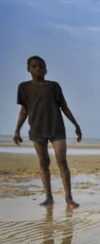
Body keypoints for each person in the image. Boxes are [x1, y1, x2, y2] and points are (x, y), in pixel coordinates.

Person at [14, 55, 83, 208]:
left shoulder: (54, 87)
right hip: (37, 130)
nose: (38, 69)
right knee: (43, 163)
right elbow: (24, 110)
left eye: (41, 66)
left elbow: (63, 107)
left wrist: (76, 125)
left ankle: (68, 197)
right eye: (34, 66)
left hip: (56, 129)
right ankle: (48, 197)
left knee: (62, 161)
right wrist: (17, 129)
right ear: (28, 70)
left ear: (46, 70)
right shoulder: (24, 87)